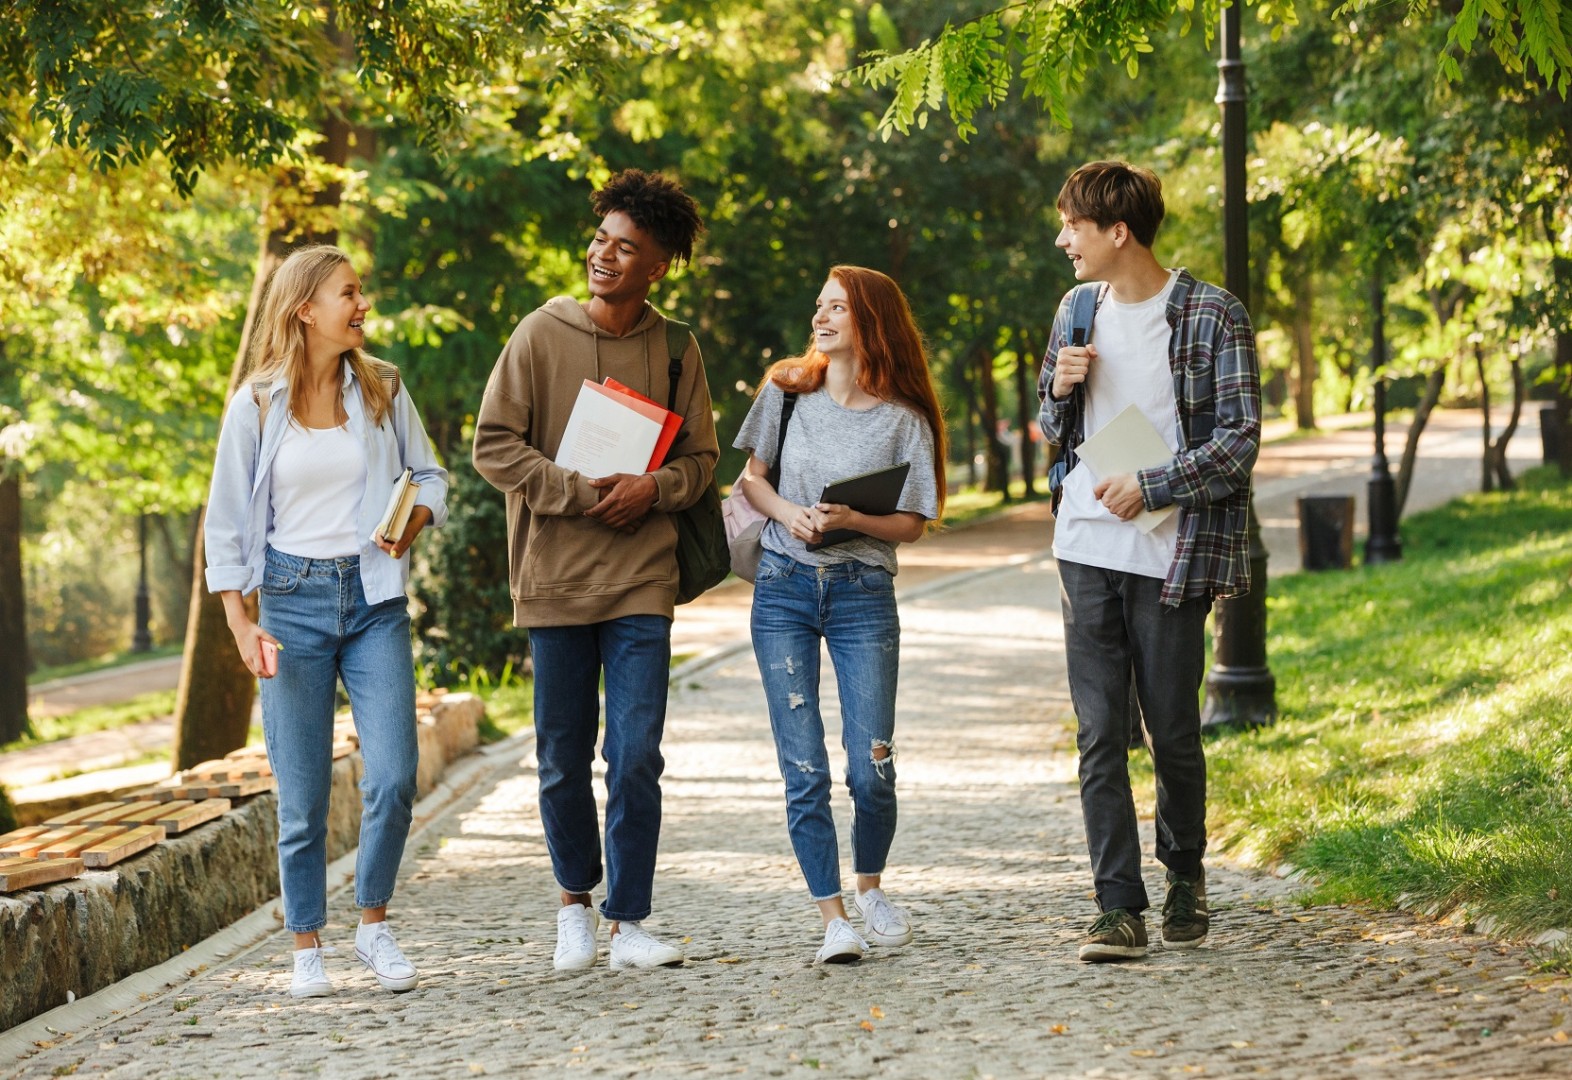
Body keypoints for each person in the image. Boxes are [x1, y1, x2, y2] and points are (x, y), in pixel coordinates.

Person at [472, 169, 714, 972]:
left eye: (626, 248)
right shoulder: (538, 334)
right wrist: (577, 494)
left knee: (637, 752)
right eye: (600, 240)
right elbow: (495, 445)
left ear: (659, 265)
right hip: (555, 578)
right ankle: (574, 899)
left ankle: (629, 921)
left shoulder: (678, 348)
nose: (604, 256)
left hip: (643, 577)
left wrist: (654, 488)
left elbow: (704, 461)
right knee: (562, 754)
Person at [204, 244, 449, 997]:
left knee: (397, 775)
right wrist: (242, 625)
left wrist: (411, 525)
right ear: (305, 307)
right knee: (303, 792)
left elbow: (432, 474)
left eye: (362, 292)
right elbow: (223, 524)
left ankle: (372, 925)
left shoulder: (382, 387)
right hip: (289, 604)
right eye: (350, 293)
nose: (363, 304)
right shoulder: (255, 405)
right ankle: (306, 942)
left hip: (372, 600)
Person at [1037, 161, 1261, 962]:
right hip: (1085, 548)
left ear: (1117, 231)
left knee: (1170, 729)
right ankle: (1116, 906)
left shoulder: (1210, 314)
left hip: (1172, 553)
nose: (1063, 240)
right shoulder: (1076, 309)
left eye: (1073, 226)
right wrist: (1057, 392)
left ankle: (1184, 874)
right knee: (1100, 734)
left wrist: (1154, 483)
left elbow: (1238, 442)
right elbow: (1049, 424)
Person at [732, 265, 946, 964]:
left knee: (871, 764)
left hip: (862, 594)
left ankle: (872, 887)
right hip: (784, 588)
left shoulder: (904, 419)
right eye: (817, 305)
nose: (820, 317)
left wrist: (853, 516)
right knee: (804, 768)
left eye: (836, 308)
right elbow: (750, 482)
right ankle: (832, 917)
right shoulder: (786, 392)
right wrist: (792, 513)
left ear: (870, 322)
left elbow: (913, 522)